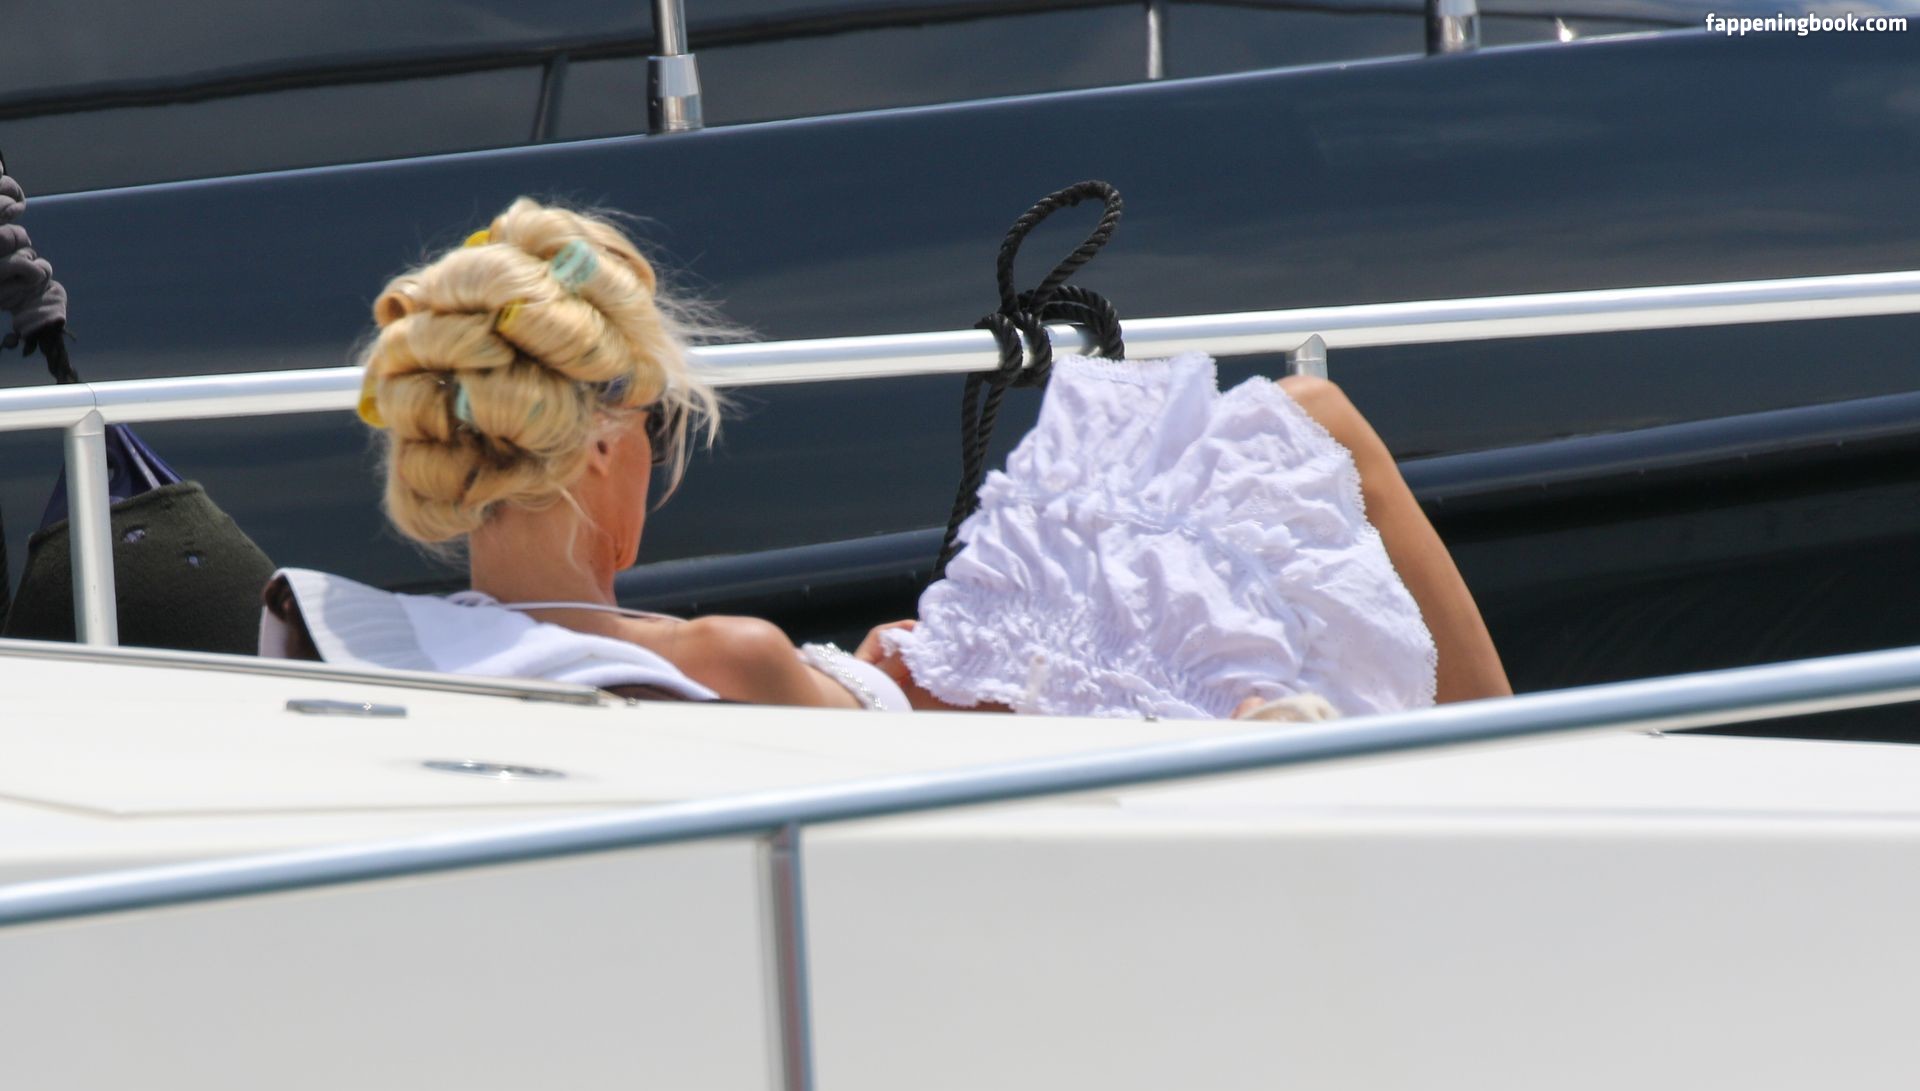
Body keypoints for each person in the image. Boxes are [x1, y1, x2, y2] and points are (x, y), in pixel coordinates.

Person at [285, 197, 1508, 717]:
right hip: (1020, 714)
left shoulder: (413, 636)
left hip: (942, 676)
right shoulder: (728, 655)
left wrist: (870, 669)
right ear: (606, 439)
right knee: (1309, 417)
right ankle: (1532, 765)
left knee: (1280, 433)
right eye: (656, 427)